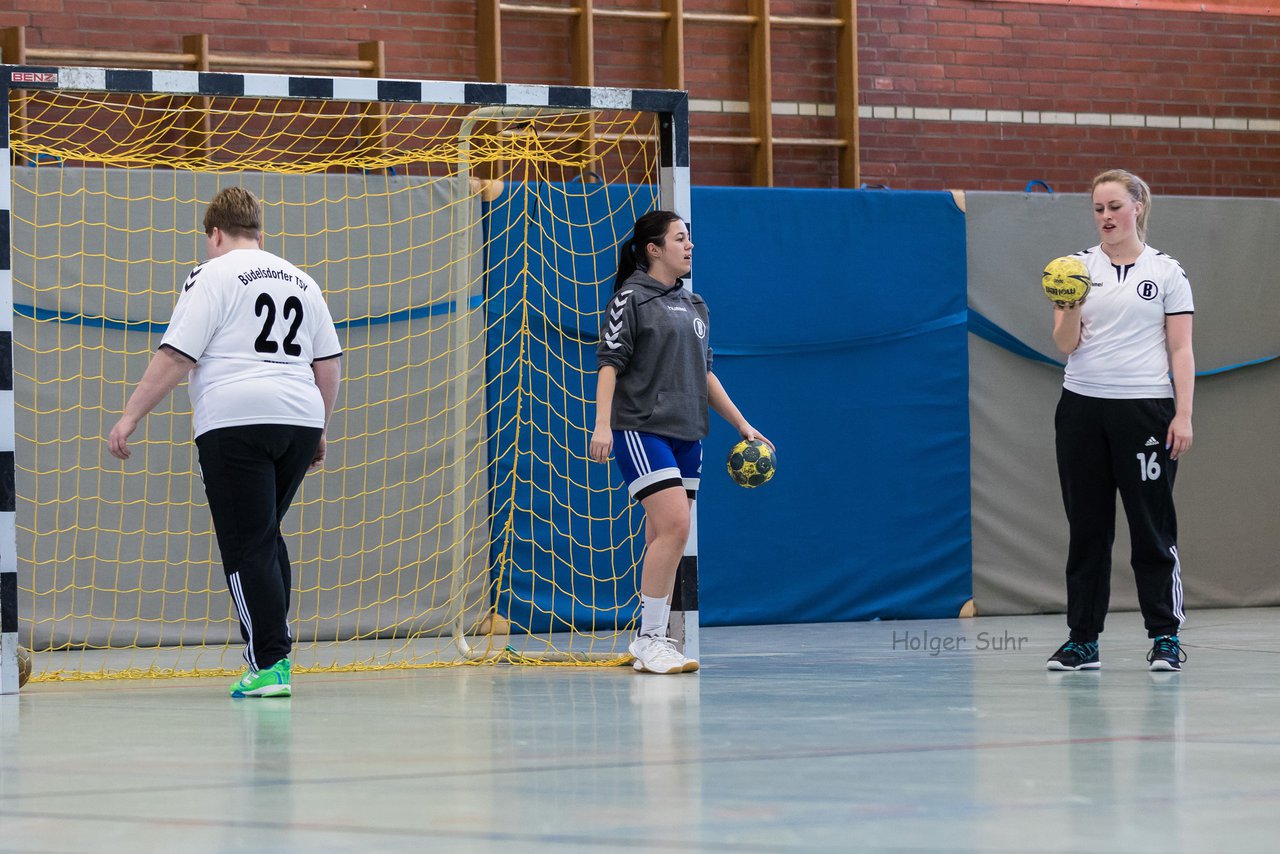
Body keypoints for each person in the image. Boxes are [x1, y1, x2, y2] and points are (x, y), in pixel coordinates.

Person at [107, 187, 342, 698]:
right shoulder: (301, 279)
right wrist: (319, 426)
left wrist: (130, 416)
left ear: (214, 234)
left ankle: (269, 664)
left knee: (247, 543)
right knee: (267, 535)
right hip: (298, 416)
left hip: (235, 418)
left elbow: (177, 354)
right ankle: (274, 655)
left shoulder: (209, 274)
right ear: (261, 233)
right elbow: (328, 364)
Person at [589, 211, 771, 675]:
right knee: (675, 526)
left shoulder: (696, 306)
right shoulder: (629, 297)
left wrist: (742, 425)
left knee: (663, 535)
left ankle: (649, 640)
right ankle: (652, 639)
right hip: (640, 428)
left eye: (690, 239)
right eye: (680, 239)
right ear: (654, 248)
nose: (689, 246)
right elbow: (609, 362)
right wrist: (602, 424)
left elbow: (704, 374)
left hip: (688, 433)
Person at [1045, 169, 1194, 673]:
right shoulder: (1074, 268)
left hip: (1146, 410)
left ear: (1138, 208)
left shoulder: (1168, 272)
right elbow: (1065, 345)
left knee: (1152, 529)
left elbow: (1181, 348)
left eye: (1114, 207)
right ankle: (1082, 640)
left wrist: (1184, 414)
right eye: (1098, 209)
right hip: (1082, 408)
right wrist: (1068, 304)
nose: (1105, 217)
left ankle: (1166, 637)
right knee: (1087, 529)